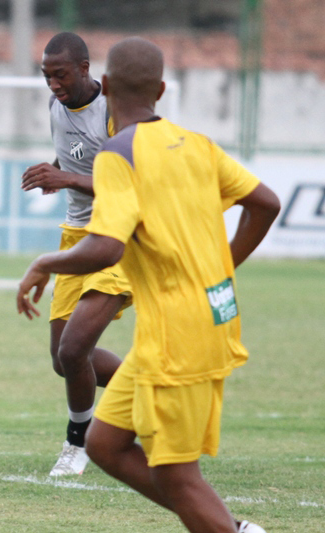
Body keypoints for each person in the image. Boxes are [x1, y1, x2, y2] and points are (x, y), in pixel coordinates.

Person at [16, 37, 278, 533]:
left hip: (179, 328)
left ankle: (237, 530)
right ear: (161, 89)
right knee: (106, 443)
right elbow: (266, 203)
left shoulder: (120, 153)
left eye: (62, 74)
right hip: (197, 315)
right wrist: (223, 265)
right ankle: (83, 439)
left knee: (178, 477)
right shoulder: (197, 144)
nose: (53, 83)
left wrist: (44, 263)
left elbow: (108, 248)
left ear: (105, 82)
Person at [19, 32, 132, 477]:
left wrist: (67, 180)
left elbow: (132, 184)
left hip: (120, 239)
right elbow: (75, 162)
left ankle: (77, 443)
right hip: (76, 236)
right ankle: (149, 395)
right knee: (63, 359)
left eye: (60, 75)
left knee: (75, 347)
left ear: (85, 68)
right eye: (46, 76)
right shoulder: (55, 108)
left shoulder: (114, 113)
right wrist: (57, 173)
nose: (53, 84)